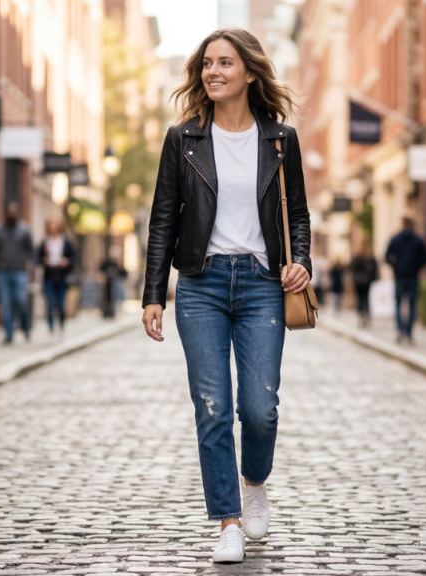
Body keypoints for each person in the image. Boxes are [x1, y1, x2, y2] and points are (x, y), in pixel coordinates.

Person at [140, 28, 311, 564]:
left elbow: (299, 214)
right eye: (207, 64)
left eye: (225, 63)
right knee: (212, 407)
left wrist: (300, 261)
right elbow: (163, 218)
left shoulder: (279, 139)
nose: (213, 72)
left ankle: (254, 480)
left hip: (263, 284)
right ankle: (228, 521)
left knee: (259, 409)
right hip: (201, 284)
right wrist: (153, 294)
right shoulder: (183, 138)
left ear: (250, 73)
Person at [0, 202, 35, 344]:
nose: (12, 214)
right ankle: (9, 333)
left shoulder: (24, 230)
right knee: (6, 304)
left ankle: (25, 327)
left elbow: (31, 251)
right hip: (3, 272)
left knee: (20, 300)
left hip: (19, 272)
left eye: (14, 211)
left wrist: (32, 268)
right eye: (9, 211)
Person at [385, 216, 426, 344]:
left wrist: (395, 266)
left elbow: (387, 257)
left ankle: (400, 330)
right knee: (412, 305)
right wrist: (417, 267)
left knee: (398, 304)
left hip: (399, 276)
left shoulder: (395, 239)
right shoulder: (418, 240)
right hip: (412, 276)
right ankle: (409, 331)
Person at [39, 217, 76, 333]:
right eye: (51, 225)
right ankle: (50, 327)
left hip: (61, 276)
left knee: (60, 303)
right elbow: (38, 256)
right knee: (49, 303)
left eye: (55, 225)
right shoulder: (45, 241)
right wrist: (43, 261)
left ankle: (61, 324)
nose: (53, 227)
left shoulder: (66, 242)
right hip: (49, 274)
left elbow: (74, 258)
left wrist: (66, 262)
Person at [351, 240, 378, 328]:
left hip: (358, 281)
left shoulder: (358, 256)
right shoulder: (370, 257)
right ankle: (366, 314)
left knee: (360, 299)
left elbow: (352, 268)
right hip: (367, 281)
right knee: (366, 298)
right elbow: (375, 269)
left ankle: (361, 315)